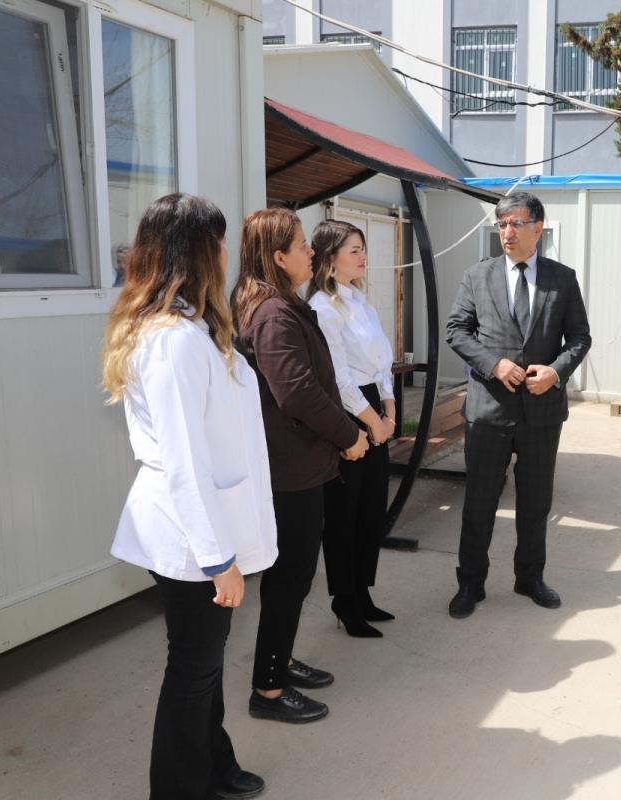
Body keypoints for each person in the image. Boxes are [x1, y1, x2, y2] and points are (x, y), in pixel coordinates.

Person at [103, 193, 275, 800]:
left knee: (204, 665)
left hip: (201, 528)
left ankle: (214, 767)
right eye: (219, 244)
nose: (226, 255)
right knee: (193, 671)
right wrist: (216, 559)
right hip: (190, 537)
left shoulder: (192, 328)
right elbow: (184, 463)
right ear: (197, 253)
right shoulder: (173, 340)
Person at [231, 208, 368, 724]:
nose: (312, 252)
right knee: (291, 576)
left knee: (291, 575)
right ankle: (268, 690)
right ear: (277, 257)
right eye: (302, 245)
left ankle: (281, 661)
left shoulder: (280, 305)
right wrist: (348, 435)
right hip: (290, 470)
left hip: (300, 462)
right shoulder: (272, 313)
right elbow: (298, 394)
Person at [444, 191, 592, 619]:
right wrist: (494, 364)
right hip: (489, 411)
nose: (507, 232)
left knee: (536, 501)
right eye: (502, 224)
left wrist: (555, 372)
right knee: (479, 503)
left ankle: (529, 577)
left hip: (541, 413)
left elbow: (579, 337)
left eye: (516, 224)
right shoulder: (478, 276)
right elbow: (457, 330)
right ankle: (470, 583)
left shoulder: (562, 279)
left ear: (538, 228)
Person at [307, 220, 397, 638]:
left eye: (363, 249)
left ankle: (363, 593)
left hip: (376, 407)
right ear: (330, 258)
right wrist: (373, 420)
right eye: (354, 250)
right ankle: (344, 600)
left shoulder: (363, 303)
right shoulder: (323, 308)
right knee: (344, 515)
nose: (363, 257)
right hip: (349, 414)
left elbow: (383, 364)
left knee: (371, 511)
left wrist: (390, 411)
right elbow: (337, 377)